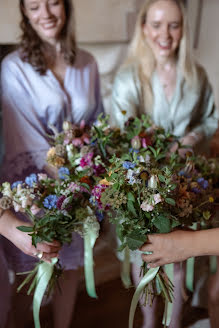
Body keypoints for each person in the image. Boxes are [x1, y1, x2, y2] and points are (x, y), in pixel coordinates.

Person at [111, 0, 218, 327]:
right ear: (144, 27)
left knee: (178, 256)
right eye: (157, 24)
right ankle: (147, 320)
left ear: (182, 29)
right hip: (140, 187)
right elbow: (122, 129)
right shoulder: (128, 77)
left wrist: (190, 139)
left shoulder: (196, 75)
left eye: (173, 25)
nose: (165, 34)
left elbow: (211, 119)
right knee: (143, 256)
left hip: (185, 183)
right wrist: (146, 149)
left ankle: (172, 322)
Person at [0, 0, 103, 327]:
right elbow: (22, 135)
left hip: (82, 185)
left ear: (67, 6)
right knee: (27, 267)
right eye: (34, 6)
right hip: (32, 186)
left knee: (70, 264)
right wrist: (65, 177)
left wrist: (93, 179)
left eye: (53, 3)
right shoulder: (13, 67)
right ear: (25, 14)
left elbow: (97, 124)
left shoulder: (88, 63)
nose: (45, 13)